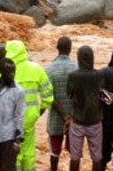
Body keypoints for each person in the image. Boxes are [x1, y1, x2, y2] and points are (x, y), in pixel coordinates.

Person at [0, 40, 53, 171]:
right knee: (29, 152)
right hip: (29, 119)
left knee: (13, 154)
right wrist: (39, 111)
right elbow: (48, 94)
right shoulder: (35, 69)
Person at [67, 46, 104, 171]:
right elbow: (104, 96)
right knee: (97, 157)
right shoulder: (99, 75)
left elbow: (69, 94)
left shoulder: (73, 76)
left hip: (78, 120)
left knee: (75, 156)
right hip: (95, 121)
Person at [0, 58, 25, 171]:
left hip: (9, 136)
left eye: (13, 71)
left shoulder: (18, 91)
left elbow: (19, 116)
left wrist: (17, 141)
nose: (12, 74)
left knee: (9, 167)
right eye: (8, 71)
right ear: (1, 71)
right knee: (0, 166)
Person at [45, 37, 77, 171]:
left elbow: (49, 97)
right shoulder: (77, 68)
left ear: (57, 48)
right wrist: (69, 116)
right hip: (74, 117)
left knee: (54, 151)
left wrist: (62, 115)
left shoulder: (49, 69)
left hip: (55, 117)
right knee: (74, 153)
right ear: (70, 49)